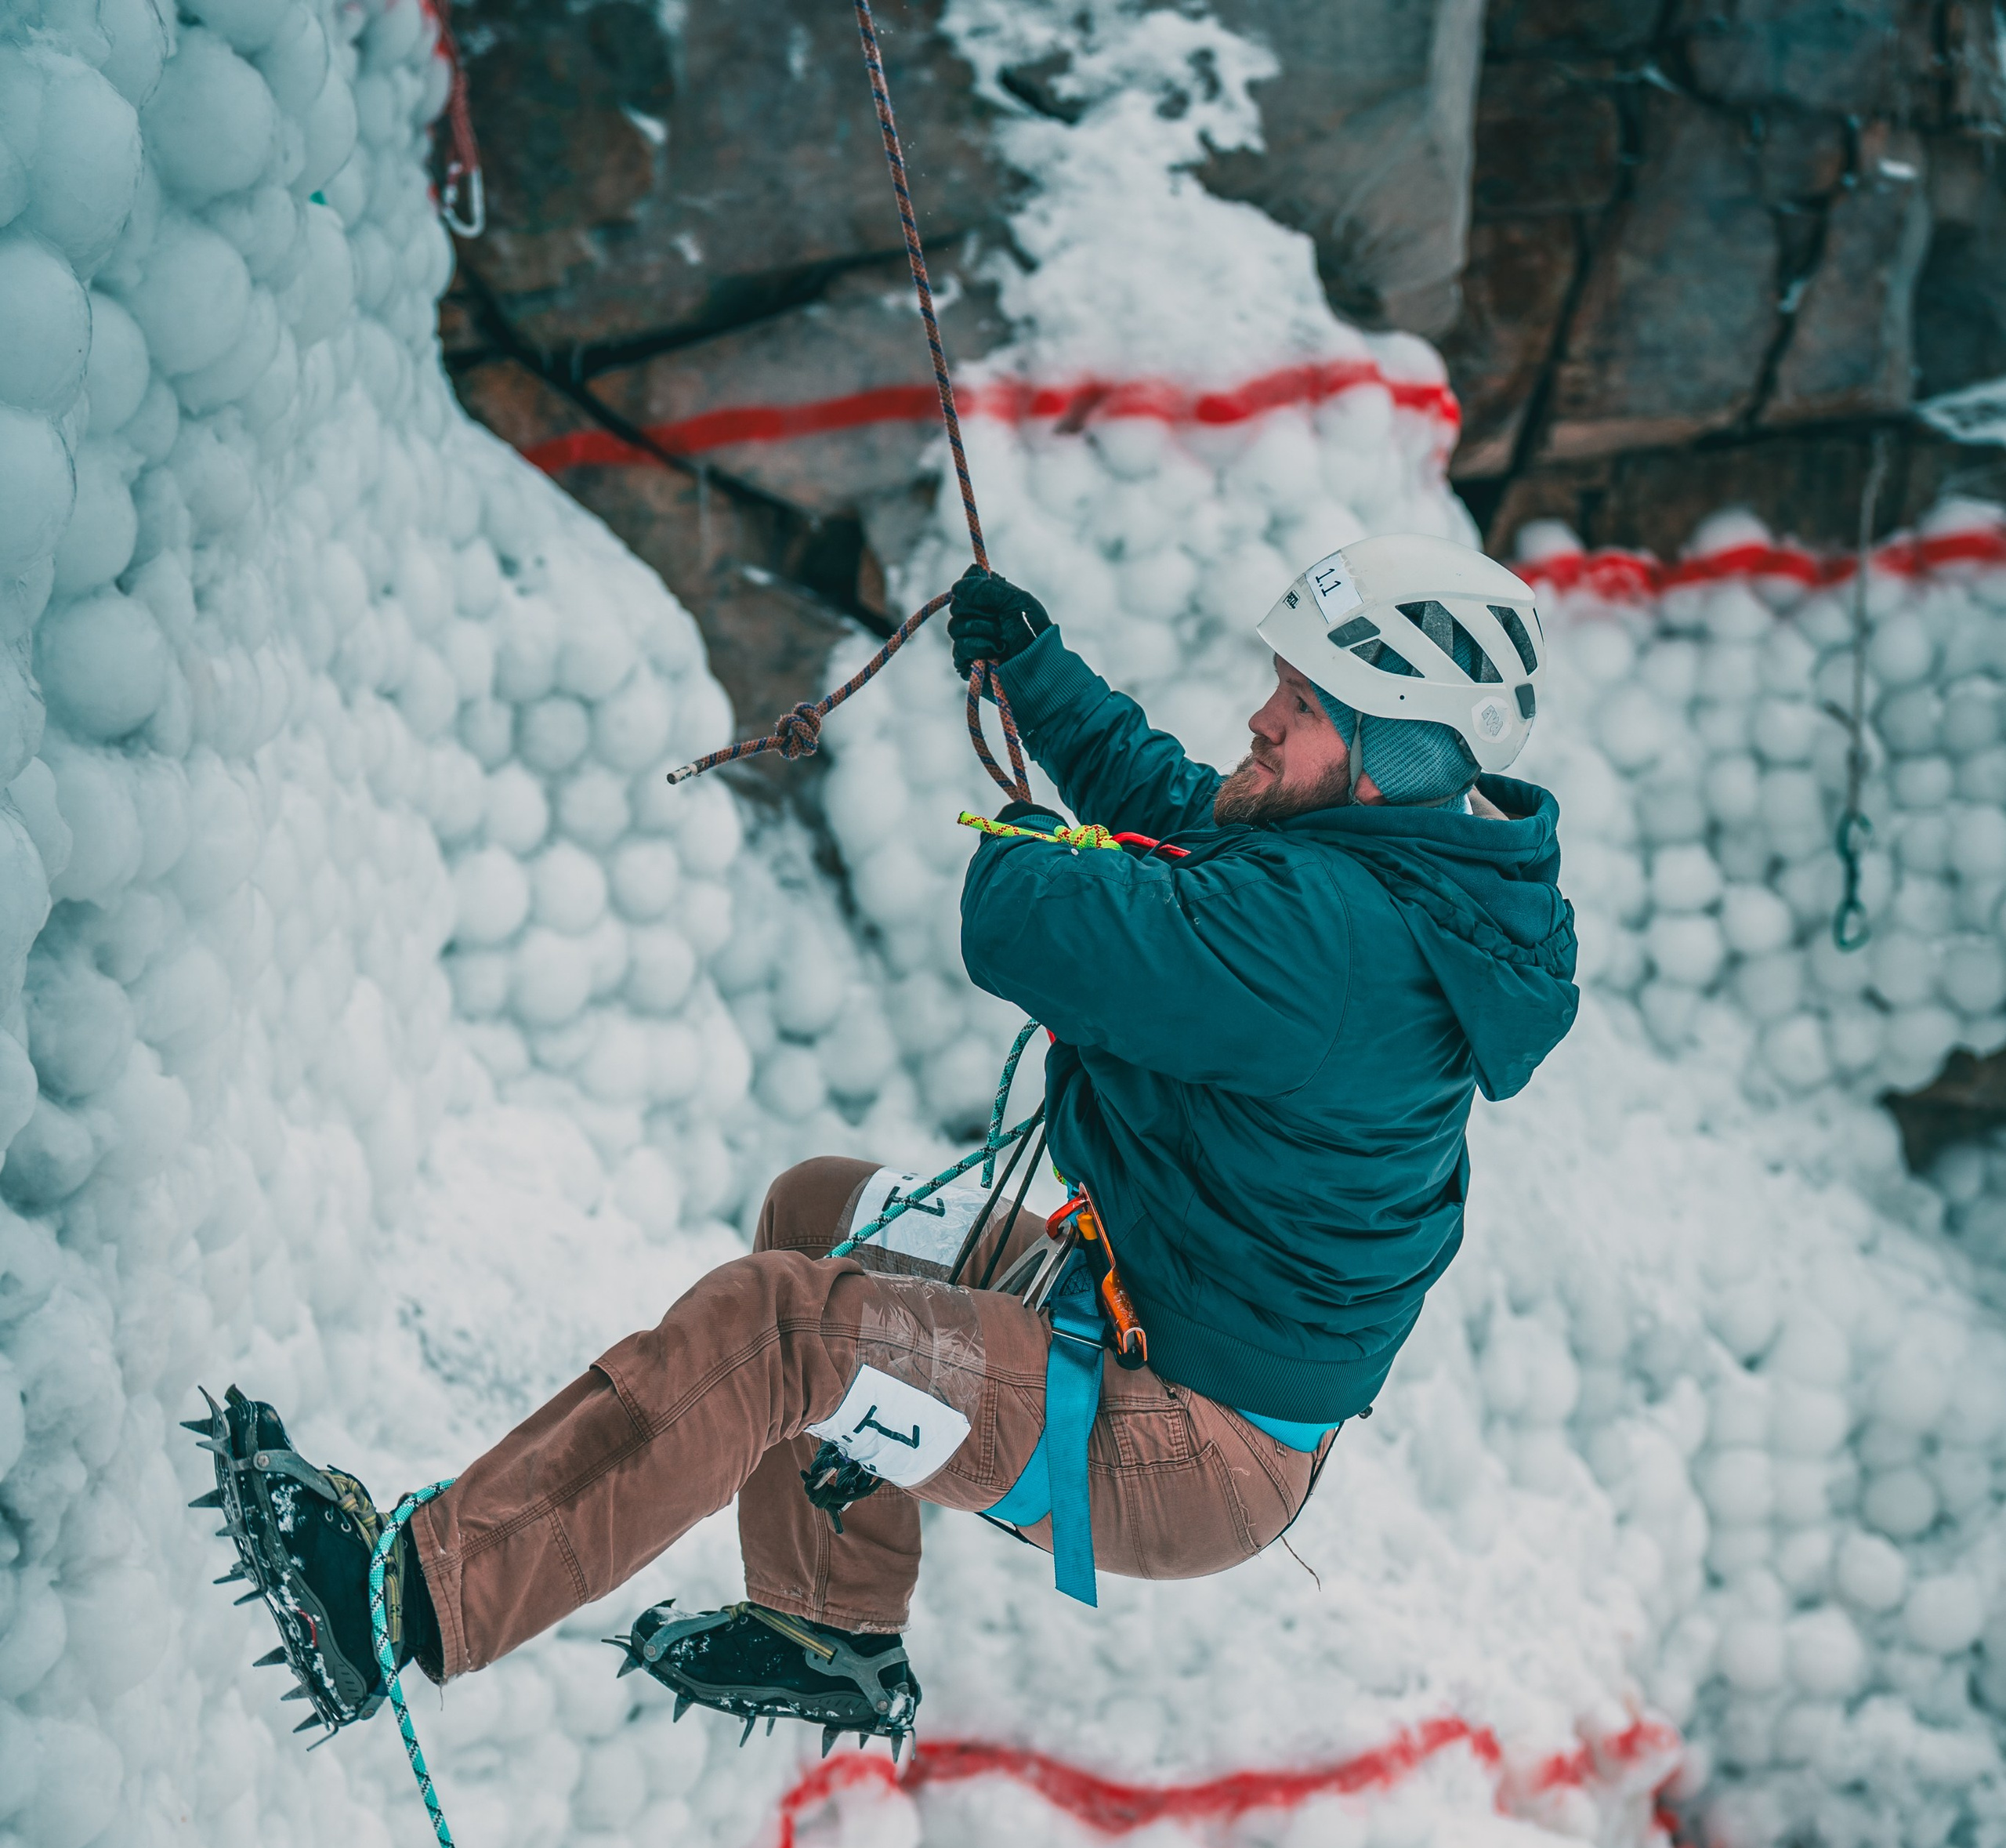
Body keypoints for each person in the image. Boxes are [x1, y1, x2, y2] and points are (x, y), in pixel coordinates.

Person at [194, 532, 1579, 1754]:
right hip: (1134, 1318)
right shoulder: (1400, 874)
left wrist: (1037, 846)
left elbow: (1027, 925)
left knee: (781, 1332)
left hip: (1186, 1439)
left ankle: (405, 1604)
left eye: (1302, 708)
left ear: (1396, 754)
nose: (1261, 721)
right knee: (823, 1209)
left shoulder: (1336, 945)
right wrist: (1044, 682)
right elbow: (1190, 816)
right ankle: (830, 1632)